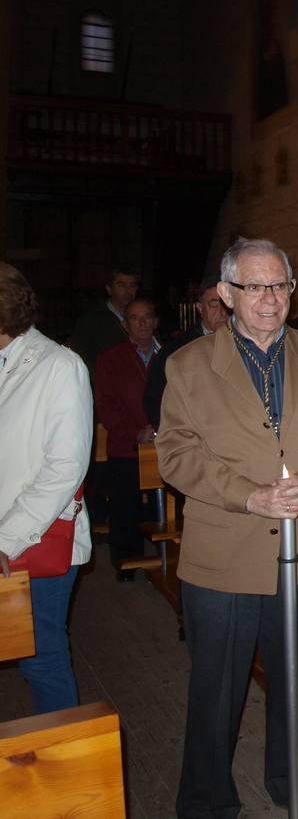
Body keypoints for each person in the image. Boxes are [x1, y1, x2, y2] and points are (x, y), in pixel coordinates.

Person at [157, 238, 298, 819]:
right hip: (225, 550)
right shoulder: (189, 364)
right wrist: (249, 496)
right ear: (225, 293)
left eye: (280, 286)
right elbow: (176, 454)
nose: (269, 298)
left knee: (295, 681)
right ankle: (208, 798)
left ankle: (294, 782)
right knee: (217, 688)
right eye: (254, 286)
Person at [0, 262, 93, 715]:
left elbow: (65, 467)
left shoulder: (59, 365)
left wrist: (5, 539)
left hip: (32, 538)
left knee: (41, 659)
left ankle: (67, 778)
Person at [94, 297, 160, 579]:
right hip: (127, 446)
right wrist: (136, 432)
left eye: (147, 317)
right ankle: (126, 561)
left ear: (156, 321)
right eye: (135, 318)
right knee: (126, 504)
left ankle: (168, 555)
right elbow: (105, 405)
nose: (143, 323)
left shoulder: (168, 353)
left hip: (166, 445)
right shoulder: (110, 359)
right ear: (125, 324)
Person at [144, 278, 230, 428]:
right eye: (214, 305)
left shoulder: (248, 346)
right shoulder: (177, 350)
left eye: (227, 305)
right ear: (199, 308)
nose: (222, 312)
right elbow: (155, 400)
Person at [71, 266, 139, 378]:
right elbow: (82, 358)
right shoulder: (92, 320)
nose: (128, 290)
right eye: (121, 285)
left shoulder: (143, 317)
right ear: (109, 289)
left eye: (132, 285)